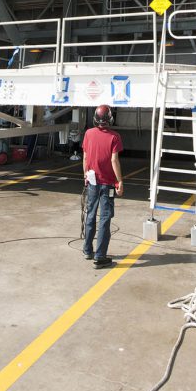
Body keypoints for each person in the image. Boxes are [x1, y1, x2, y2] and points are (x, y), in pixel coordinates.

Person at [82, 104, 123, 269]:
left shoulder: (88, 133)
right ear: (110, 118)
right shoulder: (114, 137)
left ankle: (87, 250)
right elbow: (114, 160)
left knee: (90, 214)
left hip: (92, 181)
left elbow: (85, 157)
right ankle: (100, 257)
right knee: (105, 218)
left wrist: (85, 175)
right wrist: (120, 181)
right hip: (108, 184)